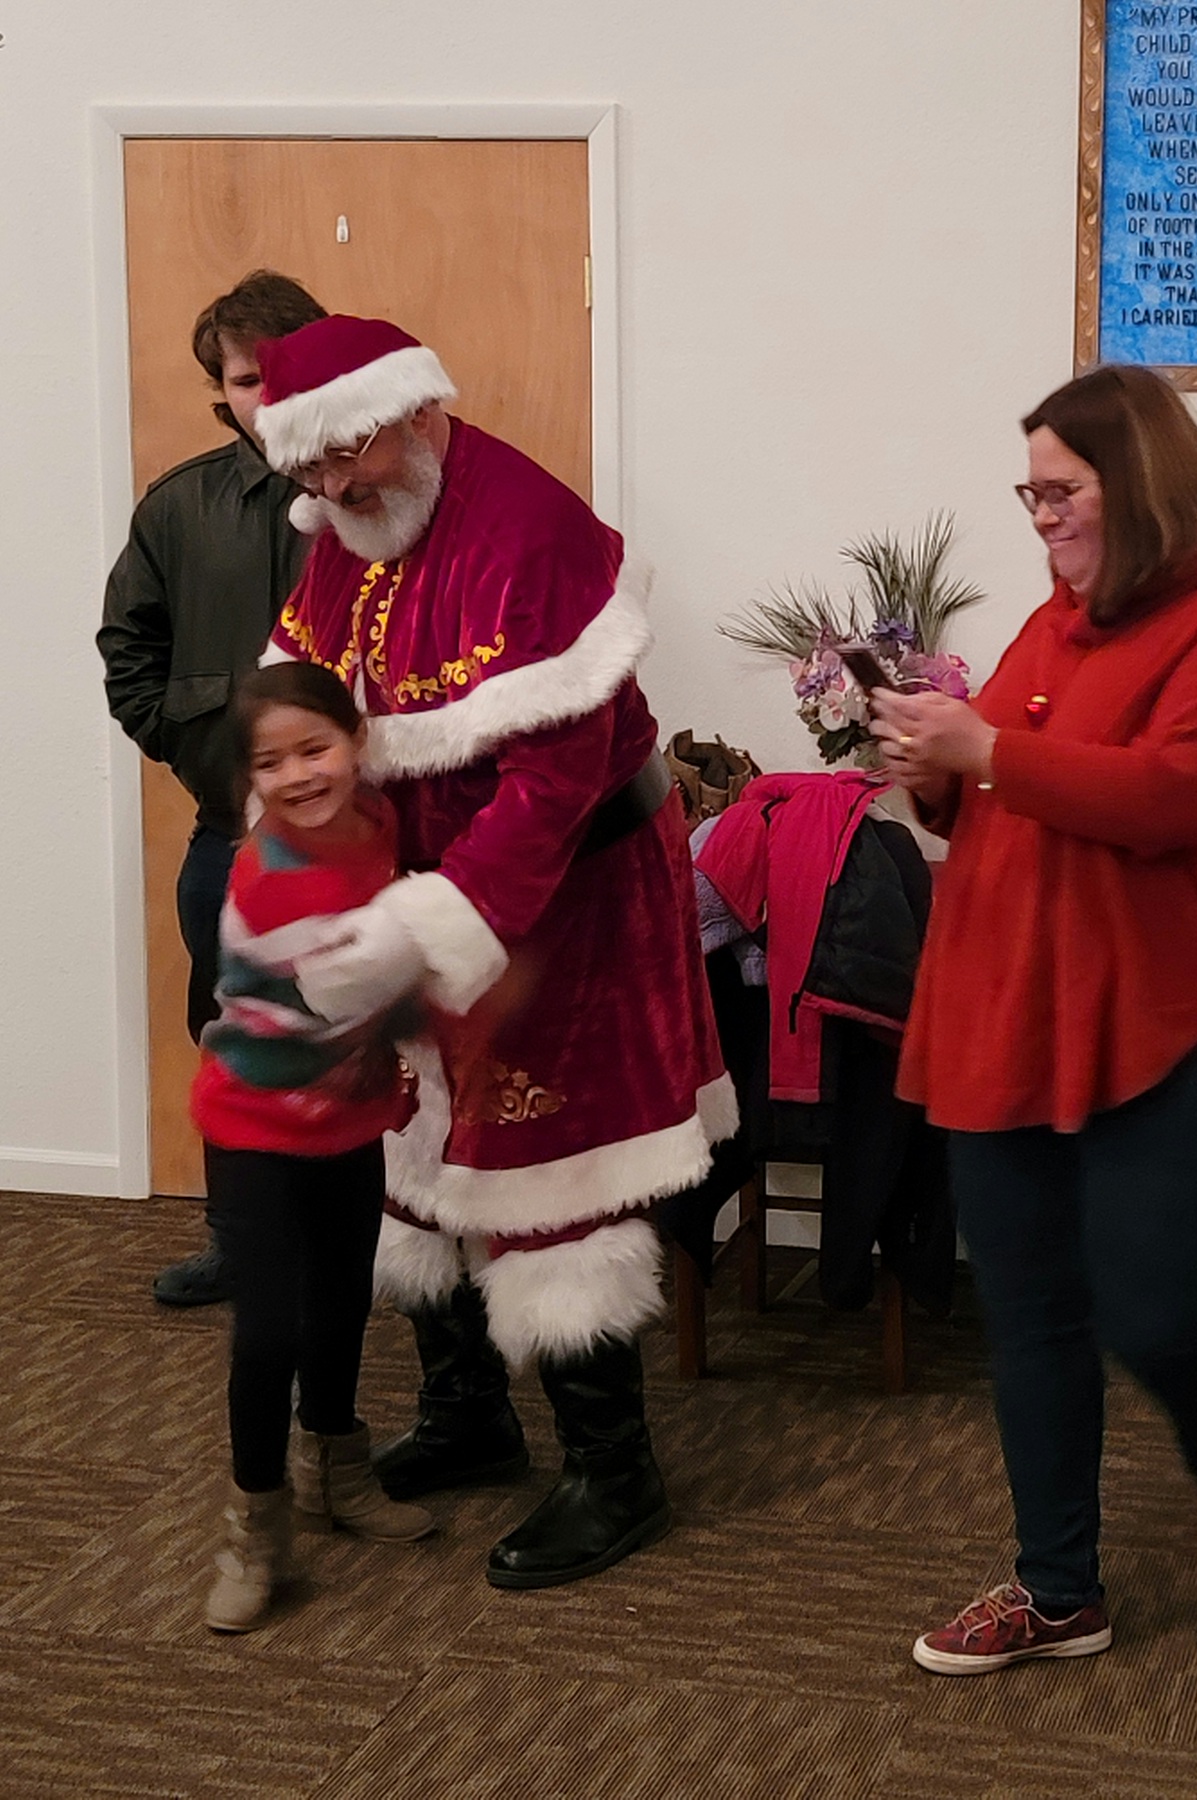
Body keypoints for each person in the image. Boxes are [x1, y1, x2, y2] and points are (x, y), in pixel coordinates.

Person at [252, 314, 732, 1589]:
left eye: (350, 456)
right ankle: (468, 1413)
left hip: (571, 897)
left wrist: (430, 928)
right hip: (423, 882)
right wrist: (313, 878)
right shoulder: (344, 532)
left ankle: (615, 1473)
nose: (336, 487)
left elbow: (554, 783)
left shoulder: (529, 529)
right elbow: (303, 713)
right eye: (312, 468)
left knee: (549, 1170)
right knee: (412, 1141)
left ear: (417, 412)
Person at [870, 363, 1197, 1675]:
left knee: (1159, 1313)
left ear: (1142, 484)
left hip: (1183, 1024)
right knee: (1033, 1312)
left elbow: (1170, 800)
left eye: (1062, 489)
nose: (1041, 514)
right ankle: (1058, 1590)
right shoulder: (1046, 629)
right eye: (1032, 493)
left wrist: (984, 751)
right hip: (1012, 1009)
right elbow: (995, 800)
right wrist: (932, 773)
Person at [97, 270, 328, 1307]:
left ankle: (384, 1254)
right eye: (244, 379)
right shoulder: (178, 507)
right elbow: (128, 648)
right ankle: (242, 1248)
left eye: (282, 372)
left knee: (380, 1046)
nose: (267, 398)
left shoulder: (385, 488)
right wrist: (190, 746)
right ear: (221, 391)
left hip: (377, 837)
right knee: (236, 1047)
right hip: (226, 840)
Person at [193, 663, 436, 1632]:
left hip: (347, 1116)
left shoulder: (377, 824)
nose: (297, 774)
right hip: (253, 1126)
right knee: (269, 1332)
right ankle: (254, 1527)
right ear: (249, 778)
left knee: (341, 1301)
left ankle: (333, 1467)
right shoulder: (270, 879)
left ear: (356, 742)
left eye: (314, 748)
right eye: (270, 763)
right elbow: (361, 987)